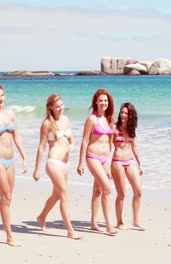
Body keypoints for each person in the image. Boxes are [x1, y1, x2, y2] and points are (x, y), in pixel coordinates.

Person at [32, 94, 81, 240]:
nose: (61, 108)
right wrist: (36, 169)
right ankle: (70, 230)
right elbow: (41, 147)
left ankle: (41, 217)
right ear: (51, 107)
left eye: (62, 104)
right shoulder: (47, 124)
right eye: (57, 106)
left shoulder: (66, 120)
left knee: (56, 195)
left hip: (65, 164)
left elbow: (72, 139)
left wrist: (72, 146)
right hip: (53, 162)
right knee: (65, 194)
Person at [0, 84, 28, 246]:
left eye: (3, 95)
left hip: (11, 160)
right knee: (6, 197)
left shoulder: (11, 114)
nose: (1, 99)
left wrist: (24, 157)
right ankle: (9, 237)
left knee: (7, 198)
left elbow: (17, 137)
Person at [77, 89, 117, 235]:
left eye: (105, 100)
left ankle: (93, 223)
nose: (103, 103)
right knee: (107, 189)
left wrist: (111, 163)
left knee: (98, 190)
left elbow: (111, 143)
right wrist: (81, 162)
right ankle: (109, 225)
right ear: (95, 102)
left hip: (105, 159)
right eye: (100, 100)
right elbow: (84, 141)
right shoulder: (92, 119)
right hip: (93, 157)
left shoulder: (110, 119)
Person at [111, 103, 145, 230]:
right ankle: (119, 222)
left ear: (131, 115)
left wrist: (140, 164)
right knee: (122, 194)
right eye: (122, 112)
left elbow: (134, 148)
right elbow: (108, 147)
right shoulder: (114, 128)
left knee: (138, 191)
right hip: (117, 162)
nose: (123, 115)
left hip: (129, 161)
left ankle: (136, 221)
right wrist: (107, 166)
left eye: (126, 113)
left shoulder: (131, 129)